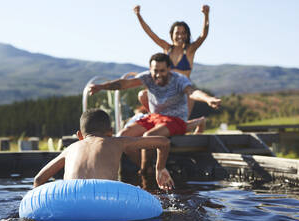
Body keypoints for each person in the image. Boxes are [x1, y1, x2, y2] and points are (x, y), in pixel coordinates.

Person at [89, 53, 220, 173]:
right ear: (150, 69)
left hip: (175, 118)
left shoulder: (179, 79)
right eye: (155, 71)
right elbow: (125, 83)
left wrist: (208, 99)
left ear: (169, 69)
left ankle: (145, 173)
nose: (158, 74)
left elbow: (192, 92)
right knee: (123, 136)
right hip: (154, 117)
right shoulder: (147, 77)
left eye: (162, 71)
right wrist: (101, 87)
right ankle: (147, 169)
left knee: (148, 136)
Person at [33, 108, 174, 190]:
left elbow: (39, 180)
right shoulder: (117, 142)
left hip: (70, 200)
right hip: (105, 199)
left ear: (79, 135)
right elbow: (164, 142)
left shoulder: (70, 148)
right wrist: (159, 168)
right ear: (110, 132)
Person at [133, 5, 210, 118]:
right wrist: (138, 15)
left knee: (182, 123)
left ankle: (199, 123)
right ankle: (155, 115)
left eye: (183, 33)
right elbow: (151, 33)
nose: (180, 36)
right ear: (172, 35)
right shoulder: (166, 48)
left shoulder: (189, 50)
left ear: (187, 35)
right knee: (142, 95)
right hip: (166, 91)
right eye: (177, 33)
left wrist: (206, 15)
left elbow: (203, 35)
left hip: (183, 92)